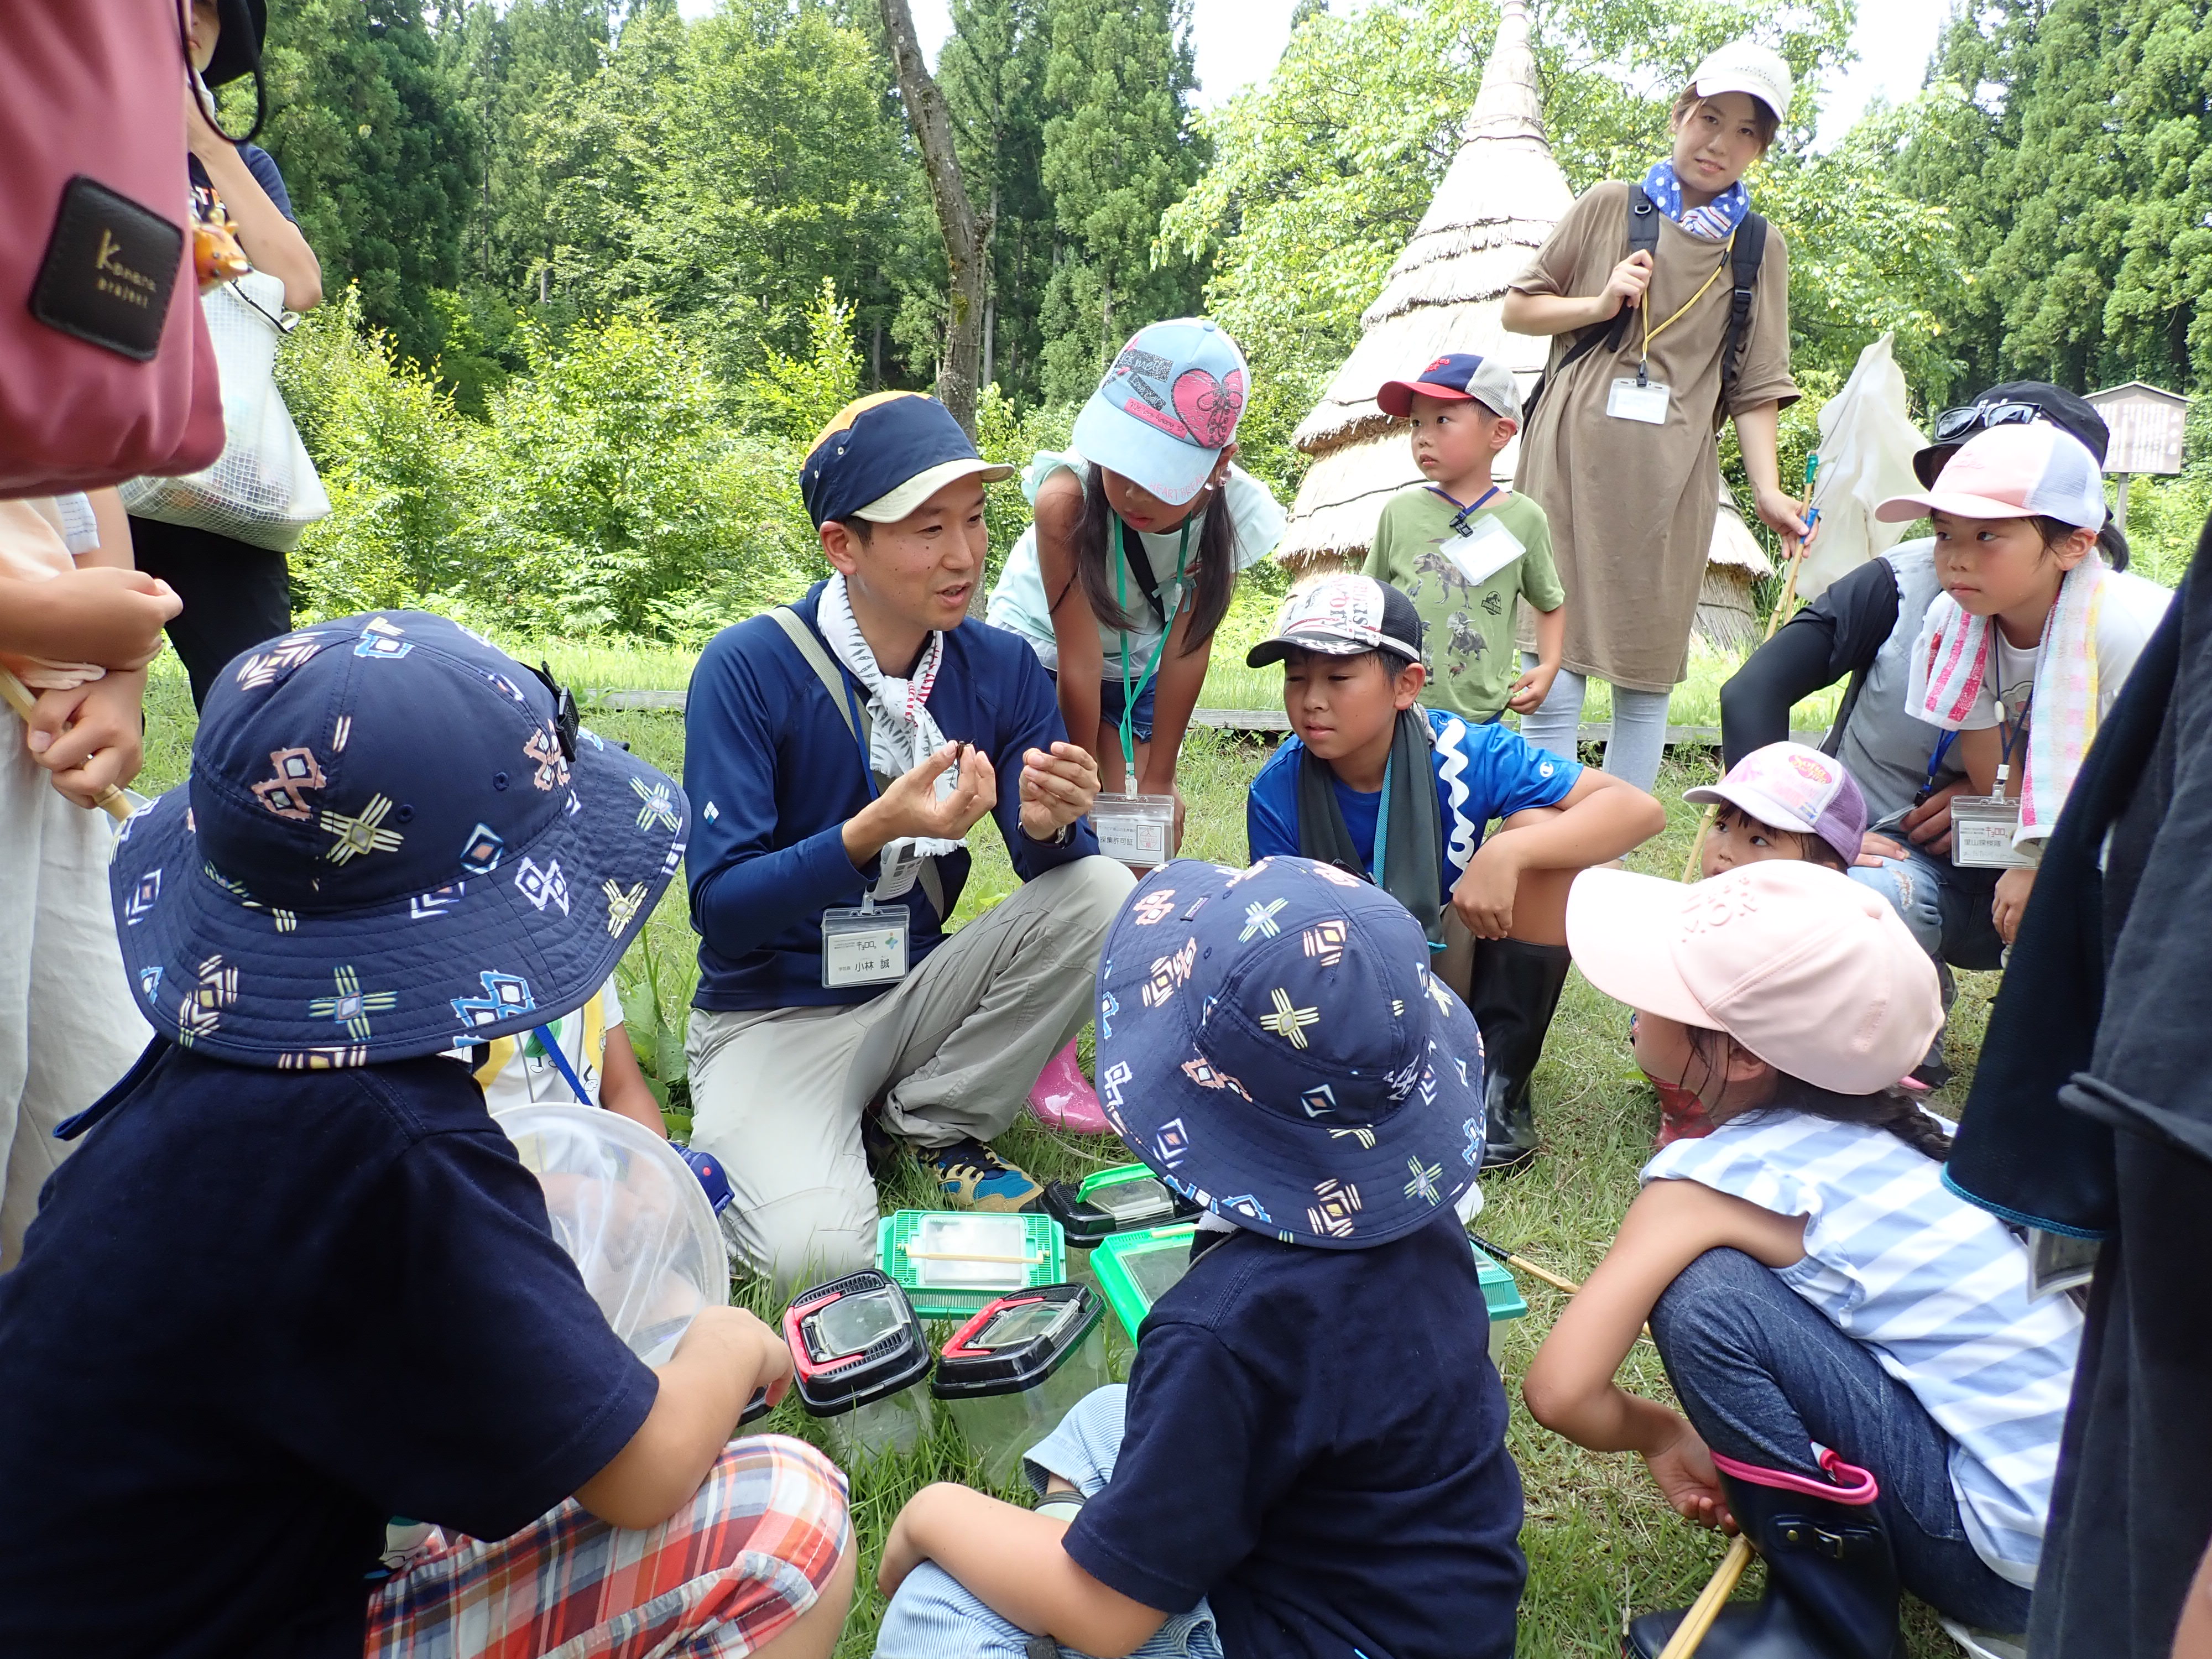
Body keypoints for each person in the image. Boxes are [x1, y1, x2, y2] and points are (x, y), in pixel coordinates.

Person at [0, 611, 856, 1659]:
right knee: (786, 1519)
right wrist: (731, 1346)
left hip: (114, 1591)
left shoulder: (206, 1081)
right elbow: (641, 1474)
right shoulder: (401, 1149)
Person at [871, 856, 1527, 1659]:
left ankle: (1067, 1561)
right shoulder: (1415, 1218)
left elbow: (1110, 1622)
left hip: (1316, 1638)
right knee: (1102, 1419)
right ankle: (1089, 1543)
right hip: (1432, 1606)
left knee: (939, 1606)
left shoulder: (1224, 1329)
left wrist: (931, 1512)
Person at [1524, 861, 2083, 1658]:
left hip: (2004, 1568)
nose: (1635, 1002)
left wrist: (1661, 1436)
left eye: (1663, 989)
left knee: (1706, 1292)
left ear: (1745, 1058)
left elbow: (1560, 1390)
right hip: (2105, 1548)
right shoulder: (1924, 1134)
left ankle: (1825, 1625)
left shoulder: (1713, 1183)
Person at [683, 393, 1133, 1292]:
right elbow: (722, 912)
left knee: (1105, 891)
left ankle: (929, 1118)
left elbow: (1051, 868)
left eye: (973, 520)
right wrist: (872, 831)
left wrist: (1050, 827)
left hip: (914, 994)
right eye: (927, 529)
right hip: (772, 1018)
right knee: (818, 1257)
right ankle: (803, 1137)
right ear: (843, 546)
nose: (964, 555)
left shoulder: (997, 667)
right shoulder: (748, 669)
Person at [1718, 383, 2123, 1011]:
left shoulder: (2112, 617)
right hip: (1879, 858)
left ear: (2073, 529)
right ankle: (1899, 988)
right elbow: (1752, 691)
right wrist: (1802, 835)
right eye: (1948, 519)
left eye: (1992, 523)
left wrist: (2004, 800)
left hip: (2045, 867)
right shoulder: (1904, 583)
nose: (1961, 548)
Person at [1244, 574, 1665, 1171]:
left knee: (1541, 829)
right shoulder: (1276, 792)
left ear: (1405, 686)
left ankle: (1497, 1087)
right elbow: (1284, 943)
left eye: (1338, 678)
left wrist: (1505, 854)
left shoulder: (1466, 751)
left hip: (1447, 953)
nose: (1312, 700)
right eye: (1296, 678)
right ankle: (1391, 1073)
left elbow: (1638, 811)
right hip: (1345, 977)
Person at [987, 320, 1285, 1131]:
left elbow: (1188, 650)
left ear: (1219, 468)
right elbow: (1079, 663)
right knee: (1077, 831)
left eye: (1159, 475)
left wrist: (1156, 783)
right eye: (1122, 460)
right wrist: (1096, 782)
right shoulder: (1067, 500)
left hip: (1145, 658)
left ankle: (1135, 1031)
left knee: (1147, 848)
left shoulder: (1227, 518)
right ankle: (1050, 1043)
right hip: (1052, 650)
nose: (1132, 491)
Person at [1500, 39, 1807, 791]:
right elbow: (1519, 307)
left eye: (1745, 132)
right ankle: (1548, 843)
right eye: (1710, 117)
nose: (1720, 142)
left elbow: (1757, 383)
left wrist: (1768, 491)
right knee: (1557, 667)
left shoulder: (1758, 248)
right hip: (1567, 466)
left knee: (1644, 683)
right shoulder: (1610, 205)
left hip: (1673, 485)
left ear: (1759, 150)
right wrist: (1599, 303)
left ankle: (1614, 851)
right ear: (1679, 115)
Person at [1875, 421, 2171, 948]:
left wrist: (2046, 867)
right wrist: (2029, 856)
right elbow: (1994, 771)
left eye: (1987, 534)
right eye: (1945, 533)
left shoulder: (2127, 633)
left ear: (2075, 544)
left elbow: (2147, 790)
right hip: (2066, 830)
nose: (1955, 558)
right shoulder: (1954, 620)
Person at [132, 0, 326, 709]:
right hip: (80, 466)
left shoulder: (242, 166)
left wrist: (210, 146)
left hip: (213, 473)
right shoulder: (72, 126)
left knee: (258, 698)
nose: (193, 14)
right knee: (75, 683)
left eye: (214, 6)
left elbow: (299, 285)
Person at [0, 492, 173, 1269]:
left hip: (45, 742)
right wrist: (34, 620)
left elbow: (82, 465)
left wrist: (122, 672)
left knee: (99, 1138)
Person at [1644, 740, 1867, 1144]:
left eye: (1759, 841)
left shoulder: (1826, 944)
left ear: (1823, 873)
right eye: (1723, 826)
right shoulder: (1708, 913)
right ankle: (1687, 1107)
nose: (1724, 852)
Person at [1361, 352, 1566, 726]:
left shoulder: (1524, 519)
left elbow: (1549, 601)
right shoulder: (1400, 512)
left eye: (1442, 420)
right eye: (1416, 423)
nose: (1424, 437)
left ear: (1500, 433)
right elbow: (1371, 599)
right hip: (1396, 707)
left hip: (1483, 715)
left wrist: (1550, 665)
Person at [471, 976, 666, 1138]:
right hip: (494, 1178)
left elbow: (624, 1088)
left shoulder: (586, 953)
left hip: (598, 1175)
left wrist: (653, 1172)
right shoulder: (451, 996)